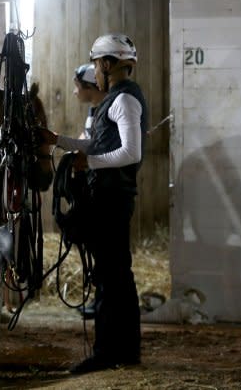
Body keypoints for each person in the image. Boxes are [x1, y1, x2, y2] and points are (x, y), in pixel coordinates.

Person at [41, 33, 148, 374]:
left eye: (96, 63)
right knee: (117, 274)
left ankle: (106, 352)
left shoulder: (124, 100)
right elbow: (98, 144)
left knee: (109, 275)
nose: (95, 71)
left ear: (105, 64)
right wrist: (61, 141)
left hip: (113, 199)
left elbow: (132, 152)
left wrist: (91, 163)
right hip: (109, 197)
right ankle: (127, 349)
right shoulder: (114, 100)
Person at [70, 61, 106, 320]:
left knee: (102, 246)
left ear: (89, 86)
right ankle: (99, 299)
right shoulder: (94, 111)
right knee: (95, 244)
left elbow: (94, 145)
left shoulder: (103, 111)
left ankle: (103, 301)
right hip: (92, 182)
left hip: (101, 185)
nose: (75, 92)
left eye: (77, 86)